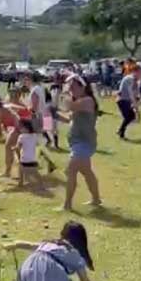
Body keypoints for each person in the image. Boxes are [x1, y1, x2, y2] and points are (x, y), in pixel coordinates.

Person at [57, 75, 102, 211]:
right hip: (78, 142)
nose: (71, 90)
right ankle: (96, 199)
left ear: (83, 86)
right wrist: (54, 115)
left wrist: (64, 90)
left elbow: (67, 105)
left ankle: (67, 205)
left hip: (84, 143)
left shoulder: (87, 101)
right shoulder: (80, 101)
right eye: (70, 87)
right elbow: (70, 118)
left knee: (70, 170)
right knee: (86, 172)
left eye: (73, 87)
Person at [16, 120, 42, 189]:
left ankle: (20, 182)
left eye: (21, 127)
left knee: (20, 168)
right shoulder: (34, 136)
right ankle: (41, 185)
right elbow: (37, 144)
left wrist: (14, 149)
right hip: (33, 160)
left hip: (24, 160)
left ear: (26, 128)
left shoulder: (21, 136)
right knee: (36, 173)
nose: (20, 129)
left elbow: (17, 147)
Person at [116, 66, 140, 139]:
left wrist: (137, 102)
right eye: (139, 72)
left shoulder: (135, 80)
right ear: (135, 72)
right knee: (128, 117)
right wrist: (135, 105)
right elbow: (131, 93)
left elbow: (135, 93)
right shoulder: (130, 79)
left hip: (126, 101)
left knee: (131, 117)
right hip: (122, 100)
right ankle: (121, 132)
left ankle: (121, 131)